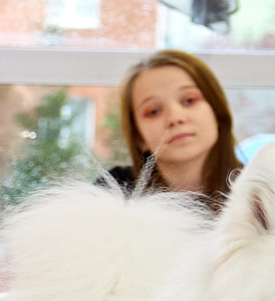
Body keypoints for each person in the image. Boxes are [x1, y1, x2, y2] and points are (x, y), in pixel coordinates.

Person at [104, 49, 243, 207]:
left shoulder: (261, 190)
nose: (175, 118)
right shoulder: (111, 193)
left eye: (189, 100)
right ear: (139, 137)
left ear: (217, 112)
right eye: (153, 111)